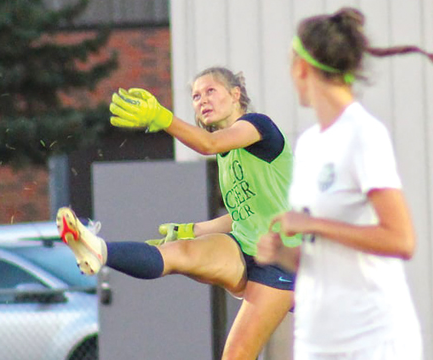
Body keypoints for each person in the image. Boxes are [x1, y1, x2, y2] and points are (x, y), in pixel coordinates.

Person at [56, 66, 300, 360]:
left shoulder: (258, 126)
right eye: (196, 96)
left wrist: (163, 117)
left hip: (284, 259)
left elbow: (208, 144)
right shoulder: (227, 154)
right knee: (180, 252)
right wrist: (192, 230)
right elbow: (244, 213)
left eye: (211, 91)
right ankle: (99, 250)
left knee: (236, 356)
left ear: (236, 94)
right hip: (246, 246)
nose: (202, 100)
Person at [256, 7, 433, 360]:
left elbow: (401, 240)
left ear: (302, 67)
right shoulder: (310, 143)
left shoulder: (364, 134)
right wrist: (281, 254)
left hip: (372, 340)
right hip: (319, 341)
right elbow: (323, 253)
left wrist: (313, 224)